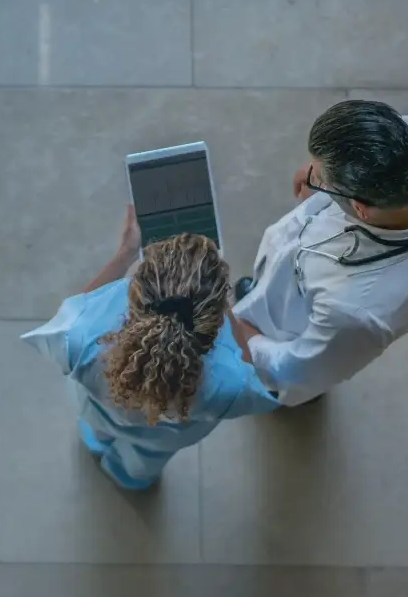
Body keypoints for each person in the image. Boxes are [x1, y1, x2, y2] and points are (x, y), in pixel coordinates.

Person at [233, 100, 408, 407]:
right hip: (295, 272)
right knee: (266, 287)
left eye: (320, 177)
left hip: (290, 331)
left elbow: (301, 366)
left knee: (276, 371)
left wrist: (247, 339)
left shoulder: (355, 311)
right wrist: (320, 168)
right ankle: (259, 293)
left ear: (361, 209)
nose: (307, 175)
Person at [22, 207, 278, 489]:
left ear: (134, 292)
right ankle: (129, 476)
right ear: (212, 321)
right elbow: (249, 373)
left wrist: (126, 253)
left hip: (100, 413)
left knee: (96, 429)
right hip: (164, 439)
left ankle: (97, 442)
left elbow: (72, 314)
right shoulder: (229, 385)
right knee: (144, 460)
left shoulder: (84, 337)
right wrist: (225, 309)